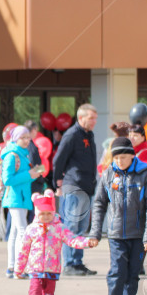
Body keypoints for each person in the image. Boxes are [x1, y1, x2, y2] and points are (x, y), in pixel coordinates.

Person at [88, 137, 147, 295]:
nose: (120, 161)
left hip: (139, 235)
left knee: (133, 274)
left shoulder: (144, 172)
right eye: (116, 158)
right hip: (116, 234)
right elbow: (99, 203)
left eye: (124, 157)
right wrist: (95, 232)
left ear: (132, 156)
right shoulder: (108, 173)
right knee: (117, 272)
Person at [15, 190, 93, 295]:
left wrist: (87, 242)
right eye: (42, 214)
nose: (45, 217)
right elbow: (24, 251)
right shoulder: (31, 229)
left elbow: (72, 239)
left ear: (53, 212)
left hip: (52, 269)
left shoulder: (59, 228)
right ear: (37, 214)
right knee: (35, 293)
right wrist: (19, 269)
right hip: (35, 269)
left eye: (48, 213)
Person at [53, 103, 98, 276]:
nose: (94, 121)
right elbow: (59, 159)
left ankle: (77, 262)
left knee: (81, 227)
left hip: (87, 186)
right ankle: (69, 263)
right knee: (71, 226)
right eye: (91, 118)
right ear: (81, 118)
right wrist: (57, 183)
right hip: (74, 185)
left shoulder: (89, 134)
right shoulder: (72, 135)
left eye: (95, 118)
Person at [1, 126, 42, 279]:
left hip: (21, 197)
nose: (26, 141)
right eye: (23, 138)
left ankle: (12, 267)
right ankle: (20, 267)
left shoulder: (22, 154)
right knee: (23, 232)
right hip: (15, 198)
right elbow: (7, 180)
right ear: (15, 138)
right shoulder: (12, 155)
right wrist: (29, 174)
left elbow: (22, 177)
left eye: (28, 138)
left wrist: (33, 174)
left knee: (15, 233)